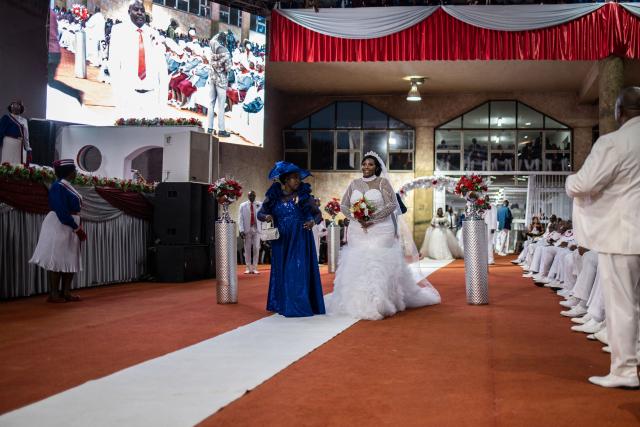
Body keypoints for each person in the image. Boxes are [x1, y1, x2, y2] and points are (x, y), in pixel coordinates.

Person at [566, 86, 640, 389]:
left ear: (618, 112)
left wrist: (570, 181)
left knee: (623, 304)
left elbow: (584, 184)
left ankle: (625, 369)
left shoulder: (616, 142)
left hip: (625, 235)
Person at [327, 152, 440, 320]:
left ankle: (381, 302)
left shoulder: (383, 183)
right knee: (357, 262)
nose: (366, 166)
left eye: (370, 164)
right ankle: (355, 302)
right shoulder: (354, 184)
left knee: (378, 262)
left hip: (381, 229)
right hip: (358, 230)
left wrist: (372, 219)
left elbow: (392, 205)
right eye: (364, 164)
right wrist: (357, 218)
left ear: (377, 167)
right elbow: (344, 206)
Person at [257, 161, 325, 317]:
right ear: (285, 180)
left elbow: (318, 214)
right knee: (281, 270)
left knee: (295, 270)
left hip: (300, 237)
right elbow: (260, 214)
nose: (298, 181)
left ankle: (298, 305)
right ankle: (282, 303)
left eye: (298, 178)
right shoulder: (273, 196)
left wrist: (312, 221)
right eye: (294, 178)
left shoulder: (304, 196)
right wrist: (266, 216)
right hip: (281, 240)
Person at [29, 159, 87, 303]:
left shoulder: (68, 186)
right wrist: (76, 227)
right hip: (61, 223)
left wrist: (76, 226)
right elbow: (61, 210)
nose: (76, 172)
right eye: (74, 170)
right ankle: (54, 294)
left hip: (71, 223)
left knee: (70, 258)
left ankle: (66, 292)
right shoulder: (58, 186)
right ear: (68, 172)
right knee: (57, 257)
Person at [108, 0, 169, 118]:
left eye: (142, 10)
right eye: (136, 10)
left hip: (151, 95)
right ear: (129, 12)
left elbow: (162, 68)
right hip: (128, 94)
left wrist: (162, 102)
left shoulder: (154, 33)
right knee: (128, 134)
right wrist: (118, 96)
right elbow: (114, 65)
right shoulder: (119, 31)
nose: (140, 13)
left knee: (150, 134)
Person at [207, 32, 232, 137]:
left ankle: (209, 128)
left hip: (212, 78)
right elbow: (228, 69)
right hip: (221, 81)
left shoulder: (212, 48)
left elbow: (213, 39)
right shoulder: (226, 53)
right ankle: (221, 130)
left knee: (211, 104)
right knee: (221, 106)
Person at [238, 190, 262, 274]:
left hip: (257, 228)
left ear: (255, 196)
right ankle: (248, 268)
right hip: (247, 229)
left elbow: (262, 216)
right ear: (248, 196)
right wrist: (241, 230)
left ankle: (255, 268)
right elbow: (240, 219)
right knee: (247, 249)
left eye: (253, 196)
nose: (251, 197)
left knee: (256, 248)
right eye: (250, 196)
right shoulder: (243, 205)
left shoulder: (260, 204)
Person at [311, 198, 327, 263]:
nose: (319, 203)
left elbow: (320, 222)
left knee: (316, 247)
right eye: (317, 201)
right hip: (314, 229)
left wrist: (323, 229)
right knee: (315, 247)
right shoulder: (313, 211)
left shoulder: (318, 211)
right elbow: (318, 221)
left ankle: (316, 262)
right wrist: (323, 229)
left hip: (316, 230)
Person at [483, 198, 497, 265]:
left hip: (489, 227)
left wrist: (493, 227)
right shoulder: (482, 206)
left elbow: (494, 216)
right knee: (483, 244)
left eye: (487, 198)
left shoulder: (492, 206)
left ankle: (491, 259)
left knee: (489, 243)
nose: (485, 199)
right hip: (482, 227)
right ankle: (484, 259)